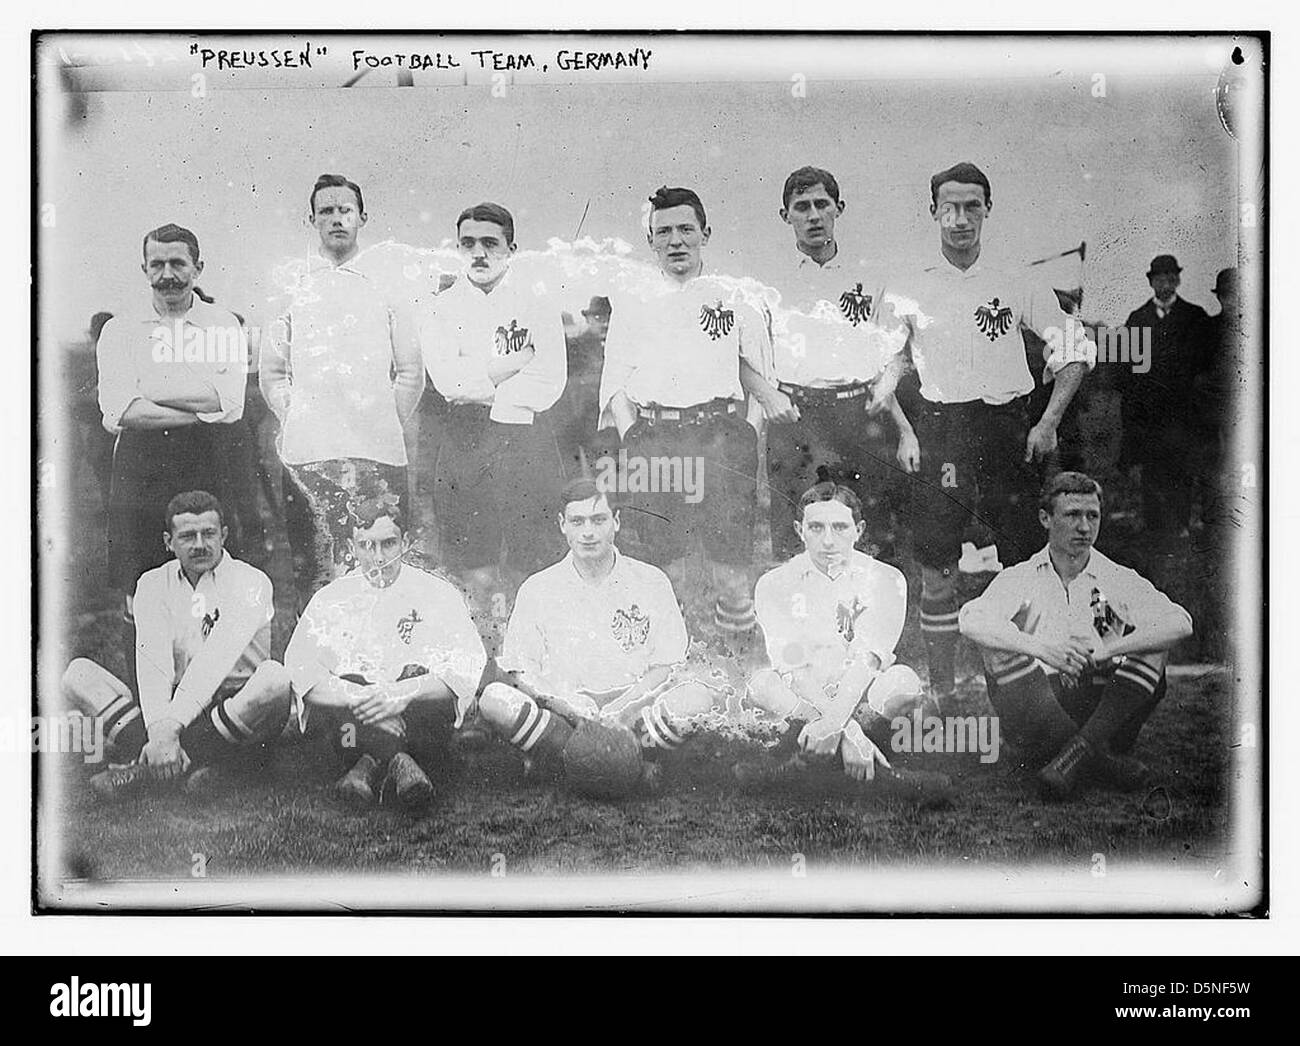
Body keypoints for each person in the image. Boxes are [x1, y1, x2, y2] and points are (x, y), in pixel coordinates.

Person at [883, 162, 1095, 702]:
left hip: (1005, 428)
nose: (960, 219)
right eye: (949, 207)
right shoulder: (908, 285)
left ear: (987, 209)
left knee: (1025, 562)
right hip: (941, 430)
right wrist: (906, 431)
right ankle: (943, 692)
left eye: (971, 206)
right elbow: (880, 369)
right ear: (933, 212)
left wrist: (1048, 421)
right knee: (938, 567)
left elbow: (1074, 350)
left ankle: (1031, 687)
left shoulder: (1014, 276)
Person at [599, 185, 791, 651]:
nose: (675, 241)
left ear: (706, 233)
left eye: (686, 229)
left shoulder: (734, 297)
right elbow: (616, 380)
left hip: (721, 436)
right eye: (663, 232)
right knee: (669, 563)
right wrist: (634, 435)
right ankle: (678, 667)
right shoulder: (634, 301)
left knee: (731, 563)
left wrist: (747, 432)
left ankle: (738, 668)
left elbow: (759, 377)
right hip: (656, 437)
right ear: (651, 241)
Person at [959, 472, 1193, 800]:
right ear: (1045, 518)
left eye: (1092, 516)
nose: (1084, 527)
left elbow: (1181, 623)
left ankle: (1077, 755)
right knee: (995, 646)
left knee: (1156, 645)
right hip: (1038, 709)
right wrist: (1043, 649)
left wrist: (1107, 651)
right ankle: (1100, 763)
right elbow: (970, 620)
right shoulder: (1022, 576)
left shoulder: (1115, 576)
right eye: (1072, 515)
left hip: (1103, 706)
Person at [478, 478, 719, 796]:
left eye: (599, 520)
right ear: (562, 525)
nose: (588, 532)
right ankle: (624, 766)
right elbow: (521, 672)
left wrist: (624, 707)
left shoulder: (651, 580)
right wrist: (567, 704)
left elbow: (666, 666)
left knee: (699, 696)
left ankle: (576, 765)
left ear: (616, 522)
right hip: (565, 715)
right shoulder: (538, 588)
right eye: (577, 521)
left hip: (633, 713)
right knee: (495, 699)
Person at [96, 223, 251, 691]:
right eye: (157, 264)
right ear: (144, 268)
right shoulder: (121, 330)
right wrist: (202, 404)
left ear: (197, 267)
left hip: (209, 464)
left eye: (178, 263)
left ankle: (221, 700)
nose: (168, 274)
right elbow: (119, 409)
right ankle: (152, 708)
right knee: (142, 586)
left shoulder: (222, 324)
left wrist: (153, 392)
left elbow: (233, 403)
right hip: (141, 470)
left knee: (212, 575)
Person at [260, 173, 424, 609]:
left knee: (381, 569)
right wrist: (302, 419)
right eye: (326, 211)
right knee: (314, 574)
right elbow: (273, 373)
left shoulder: (389, 284)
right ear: (312, 220)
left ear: (362, 217)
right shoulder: (291, 287)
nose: (336, 219)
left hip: (378, 455)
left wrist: (379, 422)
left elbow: (409, 373)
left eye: (345, 210)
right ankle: (314, 673)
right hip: (308, 456)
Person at [61, 491, 291, 799]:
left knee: (275, 679)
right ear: (169, 542)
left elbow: (216, 661)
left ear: (223, 535)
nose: (199, 544)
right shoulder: (152, 583)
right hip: (175, 707)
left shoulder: (251, 581)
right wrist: (159, 729)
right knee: (77, 674)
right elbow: (154, 664)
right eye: (187, 536)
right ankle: (197, 763)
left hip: (240, 705)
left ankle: (142, 771)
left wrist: (169, 730)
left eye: (208, 534)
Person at [742, 482, 950, 800]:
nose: (828, 540)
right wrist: (846, 730)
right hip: (807, 697)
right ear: (800, 530)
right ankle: (878, 773)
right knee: (762, 686)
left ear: (859, 529)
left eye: (840, 527)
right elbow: (793, 670)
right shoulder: (774, 583)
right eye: (816, 527)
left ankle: (802, 767)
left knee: (904, 683)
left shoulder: (887, 579)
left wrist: (838, 723)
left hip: (861, 697)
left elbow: (868, 663)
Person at [419, 202, 567, 640]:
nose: (478, 253)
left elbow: (550, 381)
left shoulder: (536, 304)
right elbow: (449, 383)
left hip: (525, 440)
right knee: (474, 565)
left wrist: (485, 383)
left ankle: (528, 663)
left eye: (490, 243)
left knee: (529, 561)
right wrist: (514, 362)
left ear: (511, 249)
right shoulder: (439, 308)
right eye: (468, 244)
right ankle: (481, 664)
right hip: (465, 441)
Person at [284, 495, 486, 810]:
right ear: (351, 548)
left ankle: (366, 768)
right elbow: (301, 669)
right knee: (346, 695)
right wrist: (356, 695)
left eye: (388, 544)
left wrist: (401, 694)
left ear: (404, 542)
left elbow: (466, 663)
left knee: (421, 682)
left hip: (420, 724)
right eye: (366, 546)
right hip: (350, 729)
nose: (378, 557)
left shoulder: (437, 593)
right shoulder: (330, 599)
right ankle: (400, 764)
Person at [765, 166, 911, 564]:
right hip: (796, 415)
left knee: (868, 528)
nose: (813, 215)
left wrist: (888, 382)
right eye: (801, 207)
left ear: (838, 209)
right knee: (797, 531)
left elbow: (898, 347)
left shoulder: (870, 274)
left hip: (858, 412)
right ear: (786, 216)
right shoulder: (767, 283)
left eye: (821, 205)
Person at [1116, 254, 1213, 554]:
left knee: (1180, 470)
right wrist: (1134, 415)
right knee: (1152, 471)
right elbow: (1127, 372)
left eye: (1171, 278)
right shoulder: (1137, 319)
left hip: (1183, 416)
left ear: (1178, 280)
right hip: (1149, 417)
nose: (1165, 284)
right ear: (1151, 282)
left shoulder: (1195, 318)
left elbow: (1204, 368)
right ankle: (1155, 529)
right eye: (1159, 279)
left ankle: (1181, 525)